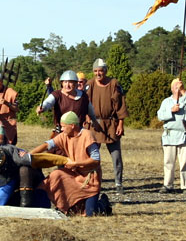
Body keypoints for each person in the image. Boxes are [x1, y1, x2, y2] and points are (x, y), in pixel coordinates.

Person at [31, 111, 111, 216]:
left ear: (72, 125)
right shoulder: (64, 135)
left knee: (91, 213)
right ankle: (64, 205)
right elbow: (47, 145)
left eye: (63, 126)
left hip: (90, 180)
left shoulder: (87, 135)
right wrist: (29, 155)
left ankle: (103, 203)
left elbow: (96, 160)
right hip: (74, 175)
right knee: (56, 175)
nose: (62, 129)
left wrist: (75, 164)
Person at [86, 58, 129, 195]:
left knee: (116, 156)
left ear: (105, 71)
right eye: (95, 71)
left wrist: (120, 123)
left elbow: (120, 105)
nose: (98, 74)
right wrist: (87, 118)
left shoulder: (114, 84)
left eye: (100, 71)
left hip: (111, 124)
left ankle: (118, 183)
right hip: (94, 124)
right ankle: (92, 182)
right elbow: (84, 103)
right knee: (92, 156)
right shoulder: (90, 84)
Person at [157, 78, 186, 194]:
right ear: (171, 88)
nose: (177, 88)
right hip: (170, 135)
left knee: (185, 162)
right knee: (169, 162)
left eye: (179, 86)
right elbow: (160, 115)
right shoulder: (166, 102)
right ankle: (168, 185)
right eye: (175, 86)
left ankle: (185, 186)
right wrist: (171, 111)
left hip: (184, 135)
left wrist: (183, 91)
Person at [36, 70, 96, 136]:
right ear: (62, 83)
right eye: (65, 82)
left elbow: (91, 112)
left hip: (77, 134)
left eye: (70, 82)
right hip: (61, 133)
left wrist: (95, 121)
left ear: (76, 83)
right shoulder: (56, 95)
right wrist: (42, 107)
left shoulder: (83, 96)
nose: (67, 85)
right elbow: (48, 102)